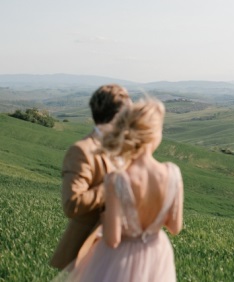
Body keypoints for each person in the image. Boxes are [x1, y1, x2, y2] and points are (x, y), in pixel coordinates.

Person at [61, 97, 184, 281]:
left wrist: (103, 216)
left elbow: (112, 239)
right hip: (157, 252)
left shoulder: (117, 179)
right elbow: (175, 227)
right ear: (153, 135)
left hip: (121, 259)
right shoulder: (173, 173)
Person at [50, 84, 132, 270]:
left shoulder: (123, 149)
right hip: (87, 252)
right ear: (117, 115)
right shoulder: (81, 151)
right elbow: (72, 204)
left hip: (119, 249)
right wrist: (110, 187)